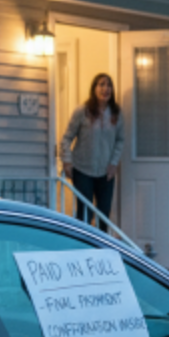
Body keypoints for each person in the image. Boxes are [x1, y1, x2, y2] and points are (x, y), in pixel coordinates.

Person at [60, 73, 125, 229]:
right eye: (101, 85)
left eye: (109, 85)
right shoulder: (82, 111)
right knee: (85, 214)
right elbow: (66, 138)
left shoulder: (116, 113)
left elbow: (120, 140)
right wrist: (67, 161)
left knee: (104, 214)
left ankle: (101, 251)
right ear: (94, 88)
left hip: (106, 173)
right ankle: (83, 250)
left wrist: (113, 164)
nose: (105, 89)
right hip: (82, 171)